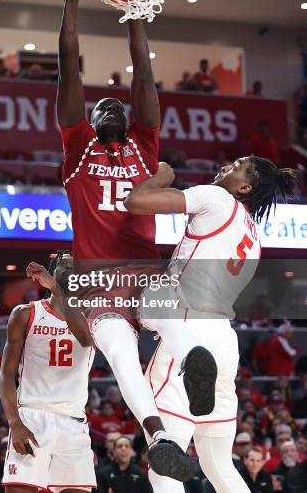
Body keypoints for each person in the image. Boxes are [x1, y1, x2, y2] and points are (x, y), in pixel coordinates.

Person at [56, 0, 195, 482]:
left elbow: (144, 76)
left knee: (175, 327)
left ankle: (198, 374)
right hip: (97, 281)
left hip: (143, 273)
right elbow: (68, 72)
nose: (111, 104)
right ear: (88, 121)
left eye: (117, 105)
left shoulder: (144, 148)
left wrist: (137, 10)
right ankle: (157, 435)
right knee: (119, 356)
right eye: (101, 106)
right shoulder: (76, 150)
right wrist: (71, 2)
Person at [125, 154, 297, 492]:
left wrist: (161, 176)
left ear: (245, 186)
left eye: (236, 167)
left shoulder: (216, 197)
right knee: (219, 465)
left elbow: (137, 202)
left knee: (164, 465)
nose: (224, 166)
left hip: (189, 335)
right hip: (223, 339)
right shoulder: (253, 235)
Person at [0, 252, 97, 492]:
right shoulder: (25, 313)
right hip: (33, 416)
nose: (70, 270)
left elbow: (85, 340)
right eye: (64, 265)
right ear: (53, 272)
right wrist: (15, 422)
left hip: (73, 422)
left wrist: (56, 288)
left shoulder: (96, 318)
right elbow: (6, 375)